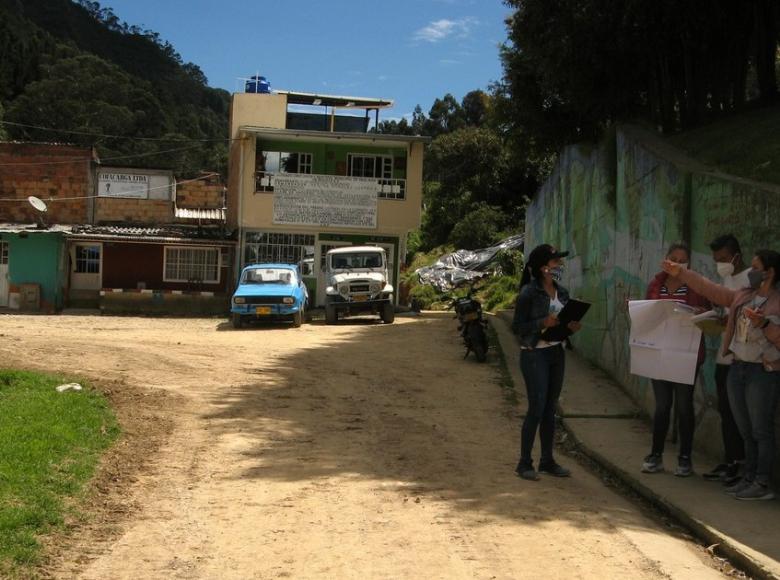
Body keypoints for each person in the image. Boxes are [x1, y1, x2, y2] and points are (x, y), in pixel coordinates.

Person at [663, 250, 780, 501]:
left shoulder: (777, 301)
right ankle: (748, 477)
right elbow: (710, 289)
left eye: (756, 267)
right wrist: (682, 273)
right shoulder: (743, 296)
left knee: (761, 430)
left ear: (769, 272)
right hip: (737, 368)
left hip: (763, 372)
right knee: (746, 429)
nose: (751, 272)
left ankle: (762, 481)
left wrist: (765, 325)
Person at [511, 244, 582, 481]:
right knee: (537, 407)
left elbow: (564, 321)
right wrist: (542, 323)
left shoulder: (562, 292)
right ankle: (524, 463)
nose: (559, 266)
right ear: (543, 268)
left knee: (550, 409)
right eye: (555, 263)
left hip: (556, 353)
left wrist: (570, 327)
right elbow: (517, 327)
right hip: (534, 354)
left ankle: (547, 461)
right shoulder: (528, 293)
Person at [642, 242, 710, 477]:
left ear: (688, 263)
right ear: (666, 259)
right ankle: (655, 456)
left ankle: (684, 459)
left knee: (683, 407)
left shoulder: (696, 285)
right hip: (659, 352)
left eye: (683, 260)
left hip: (685, 354)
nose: (678, 263)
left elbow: (709, 313)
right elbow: (648, 315)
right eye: (674, 258)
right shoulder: (655, 284)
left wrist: (702, 313)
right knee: (662, 407)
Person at [702, 235, 750, 484]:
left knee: (739, 414)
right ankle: (729, 459)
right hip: (723, 357)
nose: (719, 264)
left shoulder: (750, 280)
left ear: (736, 256)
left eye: (722, 259)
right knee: (725, 411)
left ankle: (741, 465)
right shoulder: (727, 278)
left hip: (740, 360)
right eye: (716, 260)